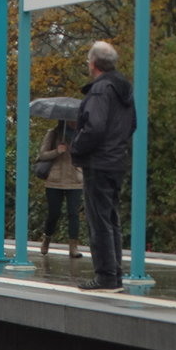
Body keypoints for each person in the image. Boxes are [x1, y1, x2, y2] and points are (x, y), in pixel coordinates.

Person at [69, 40, 136, 291]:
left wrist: (77, 147)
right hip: (117, 161)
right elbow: (132, 125)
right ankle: (115, 274)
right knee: (111, 219)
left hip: (98, 162)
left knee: (99, 220)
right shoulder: (124, 91)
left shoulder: (100, 90)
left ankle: (106, 276)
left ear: (93, 63)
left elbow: (94, 127)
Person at [36, 119, 83, 259]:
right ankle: (47, 239)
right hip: (55, 180)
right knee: (54, 213)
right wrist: (57, 151)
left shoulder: (82, 134)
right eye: (71, 119)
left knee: (73, 214)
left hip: (75, 179)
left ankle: (73, 247)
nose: (74, 121)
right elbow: (42, 154)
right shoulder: (54, 133)